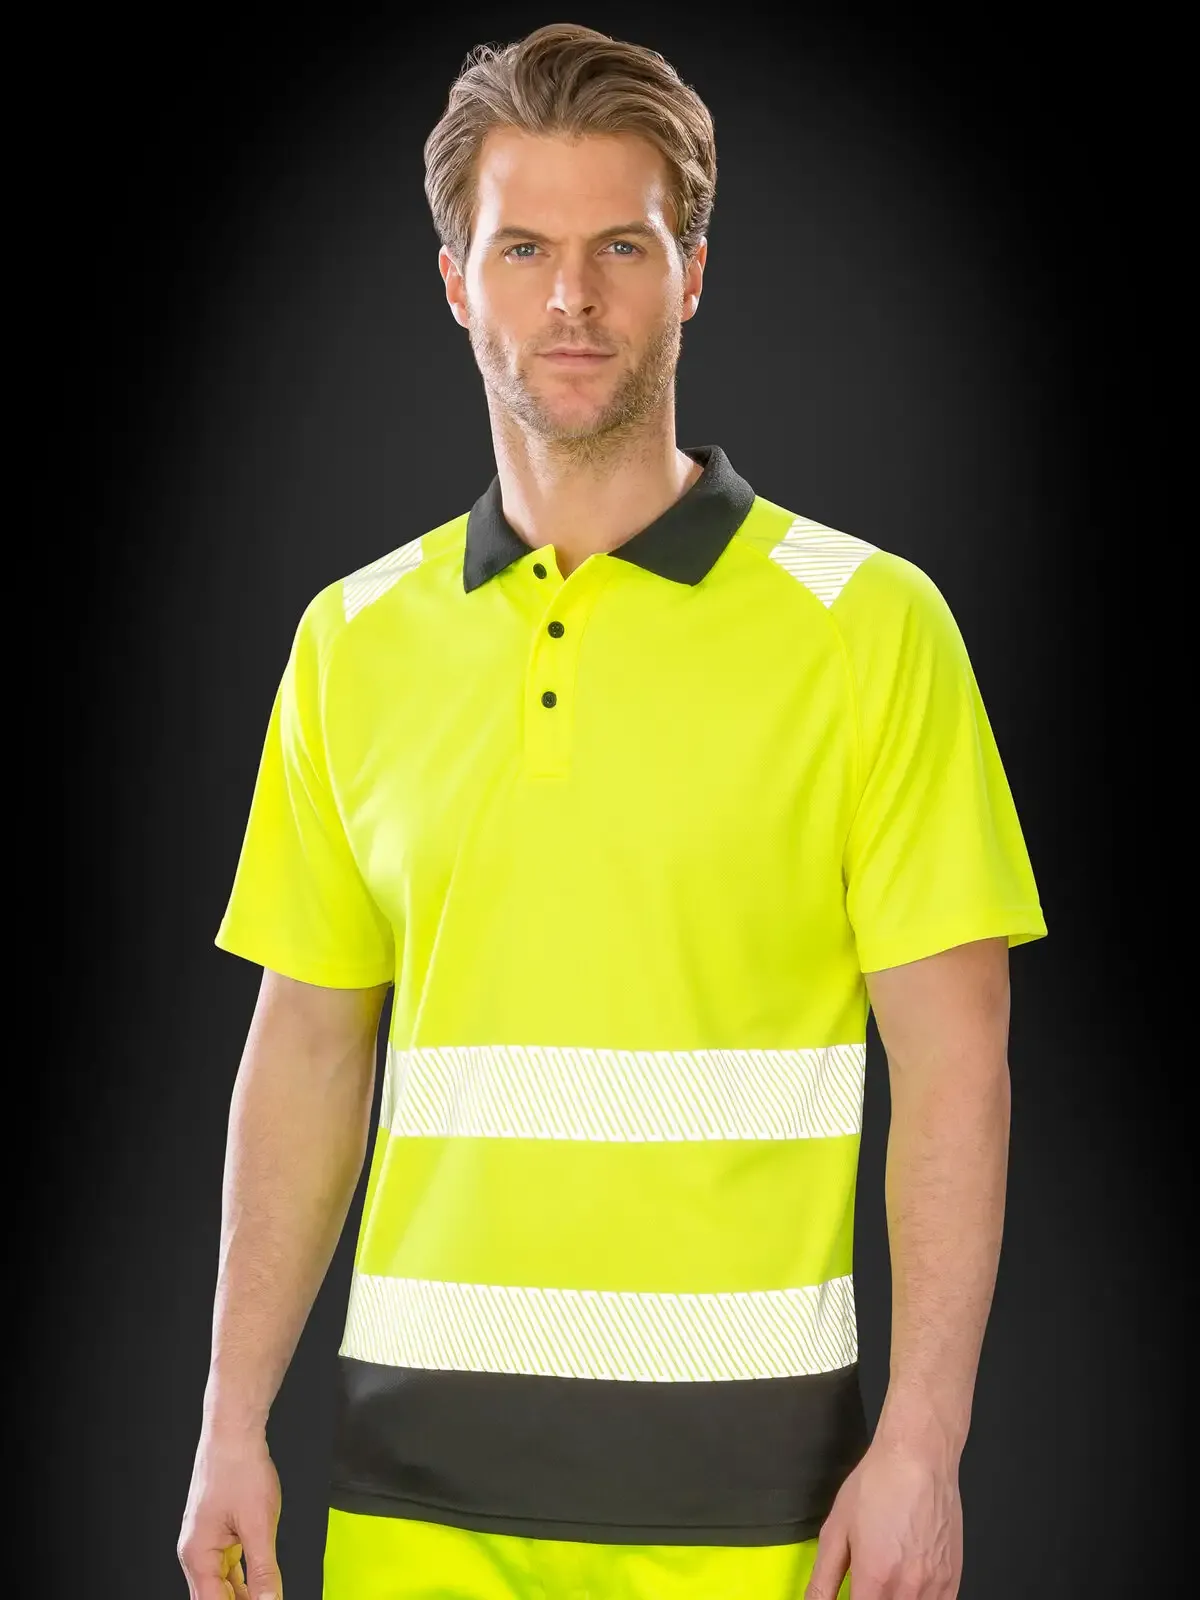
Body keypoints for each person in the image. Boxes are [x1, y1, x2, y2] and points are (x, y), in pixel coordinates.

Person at [177, 21, 1046, 1600]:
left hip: (756, 1513)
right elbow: (304, 1046)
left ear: (691, 273)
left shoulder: (870, 626)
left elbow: (955, 1060)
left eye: (620, 247)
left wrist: (924, 1444)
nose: (570, 298)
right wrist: (230, 1417)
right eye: (522, 248)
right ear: (457, 282)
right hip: (415, 1507)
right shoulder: (350, 642)